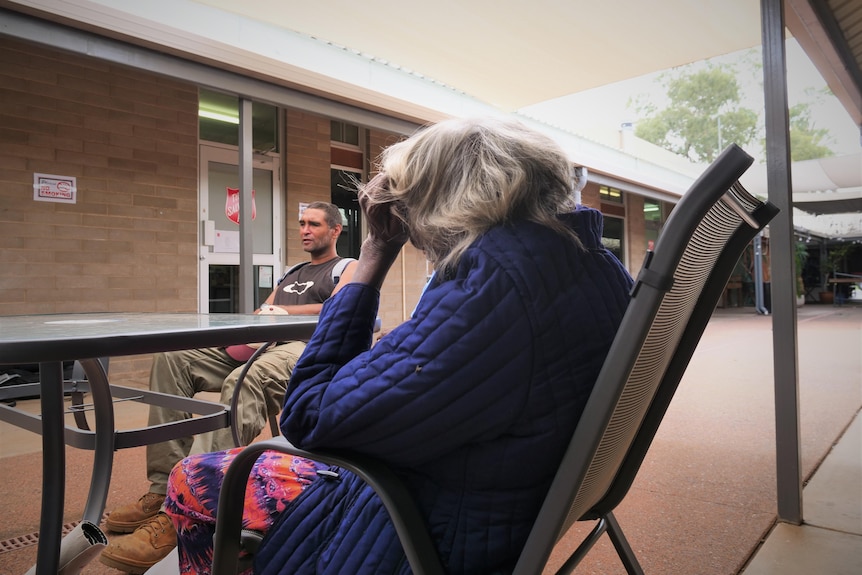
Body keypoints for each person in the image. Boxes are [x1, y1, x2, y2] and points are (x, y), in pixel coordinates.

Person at [162, 116, 634, 574]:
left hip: (421, 527)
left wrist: (374, 253)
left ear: (449, 199)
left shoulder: (497, 287)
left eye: (412, 199)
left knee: (194, 479)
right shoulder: (594, 265)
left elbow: (309, 414)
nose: (409, 220)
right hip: (497, 490)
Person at [99, 201, 356, 573]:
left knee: (244, 381)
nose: (304, 230)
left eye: (313, 224)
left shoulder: (344, 267)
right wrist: (262, 319)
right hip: (264, 345)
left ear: (334, 230)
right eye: (301, 223)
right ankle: (162, 489)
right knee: (173, 359)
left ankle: (190, 509)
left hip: (305, 350)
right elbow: (260, 313)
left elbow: (342, 306)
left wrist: (285, 313)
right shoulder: (294, 272)